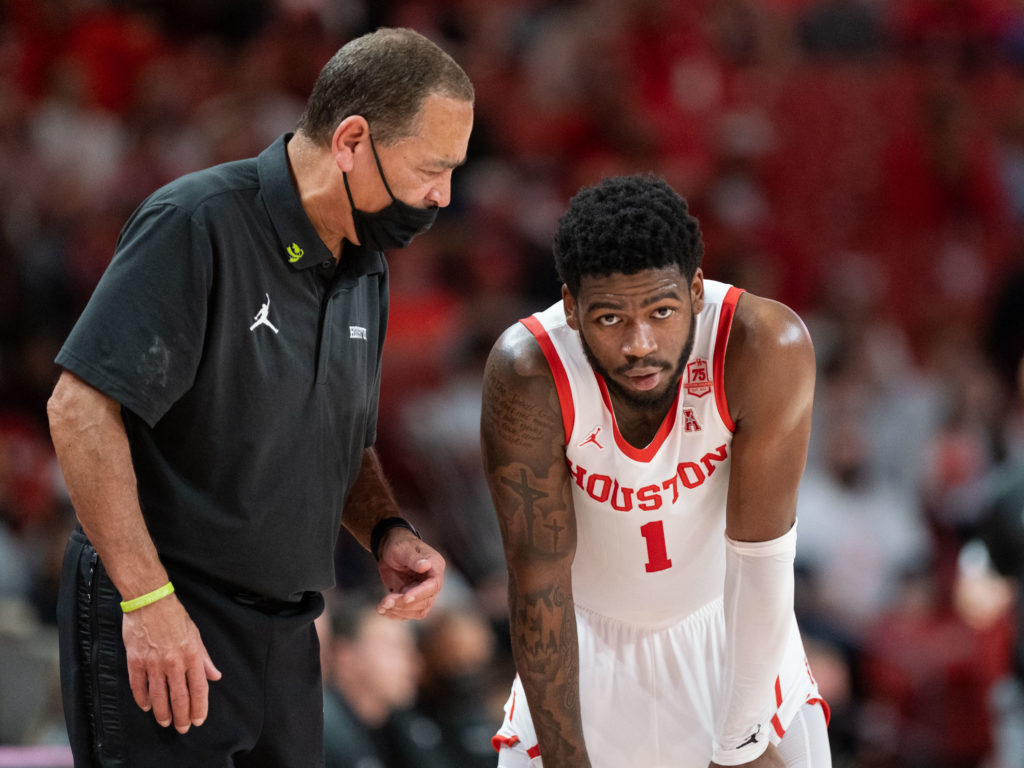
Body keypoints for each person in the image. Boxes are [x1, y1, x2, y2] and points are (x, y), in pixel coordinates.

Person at [45, 27, 473, 768]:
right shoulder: (197, 223)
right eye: (430, 168)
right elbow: (78, 409)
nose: (441, 195)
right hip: (170, 612)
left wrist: (387, 533)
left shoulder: (366, 263)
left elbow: (341, 438)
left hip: (288, 631)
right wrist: (149, 604)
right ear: (351, 140)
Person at [482, 174, 832, 767]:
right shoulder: (529, 372)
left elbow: (762, 559)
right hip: (579, 652)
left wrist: (742, 742)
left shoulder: (763, 346)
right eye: (611, 319)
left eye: (662, 310)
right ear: (571, 306)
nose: (641, 344)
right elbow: (538, 583)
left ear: (696, 289)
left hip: (732, 633)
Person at [319, 590, 451, 768]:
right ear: (346, 657)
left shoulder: (404, 727)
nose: (414, 663)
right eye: (395, 647)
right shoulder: (318, 735)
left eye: (410, 648)